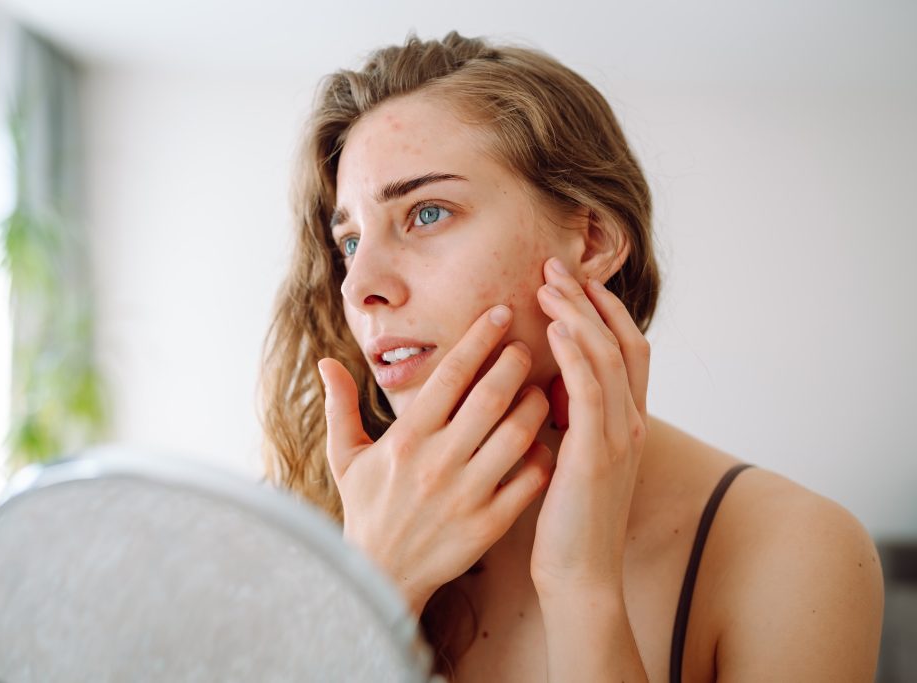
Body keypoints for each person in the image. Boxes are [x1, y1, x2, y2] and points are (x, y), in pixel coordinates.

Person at [260, 31, 883, 682]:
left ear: (591, 240)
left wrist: (580, 583)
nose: (360, 288)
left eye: (428, 212)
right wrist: (374, 583)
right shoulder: (301, 533)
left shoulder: (795, 553)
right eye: (351, 242)